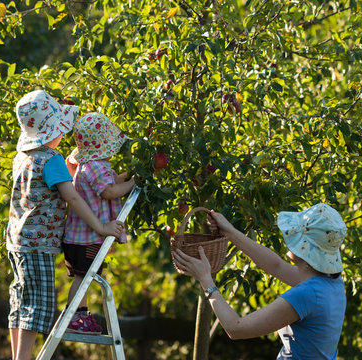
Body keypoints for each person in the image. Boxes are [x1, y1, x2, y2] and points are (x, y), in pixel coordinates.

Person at [6, 90, 125, 360]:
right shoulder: (51, 159)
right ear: (53, 132)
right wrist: (102, 226)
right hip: (39, 245)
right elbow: (71, 195)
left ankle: (17, 356)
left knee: (20, 301)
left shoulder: (23, 157)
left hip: (17, 241)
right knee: (38, 305)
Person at [172, 203, 347, 359]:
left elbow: (236, 328)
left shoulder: (307, 294)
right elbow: (277, 266)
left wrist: (206, 280)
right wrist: (229, 231)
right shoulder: (331, 282)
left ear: (304, 249)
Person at [62, 112, 135, 334]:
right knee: (83, 276)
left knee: (84, 275)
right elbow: (109, 191)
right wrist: (133, 183)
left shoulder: (90, 164)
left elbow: (112, 182)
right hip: (87, 238)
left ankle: (80, 313)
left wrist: (129, 176)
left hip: (80, 237)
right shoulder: (95, 166)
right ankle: (74, 316)